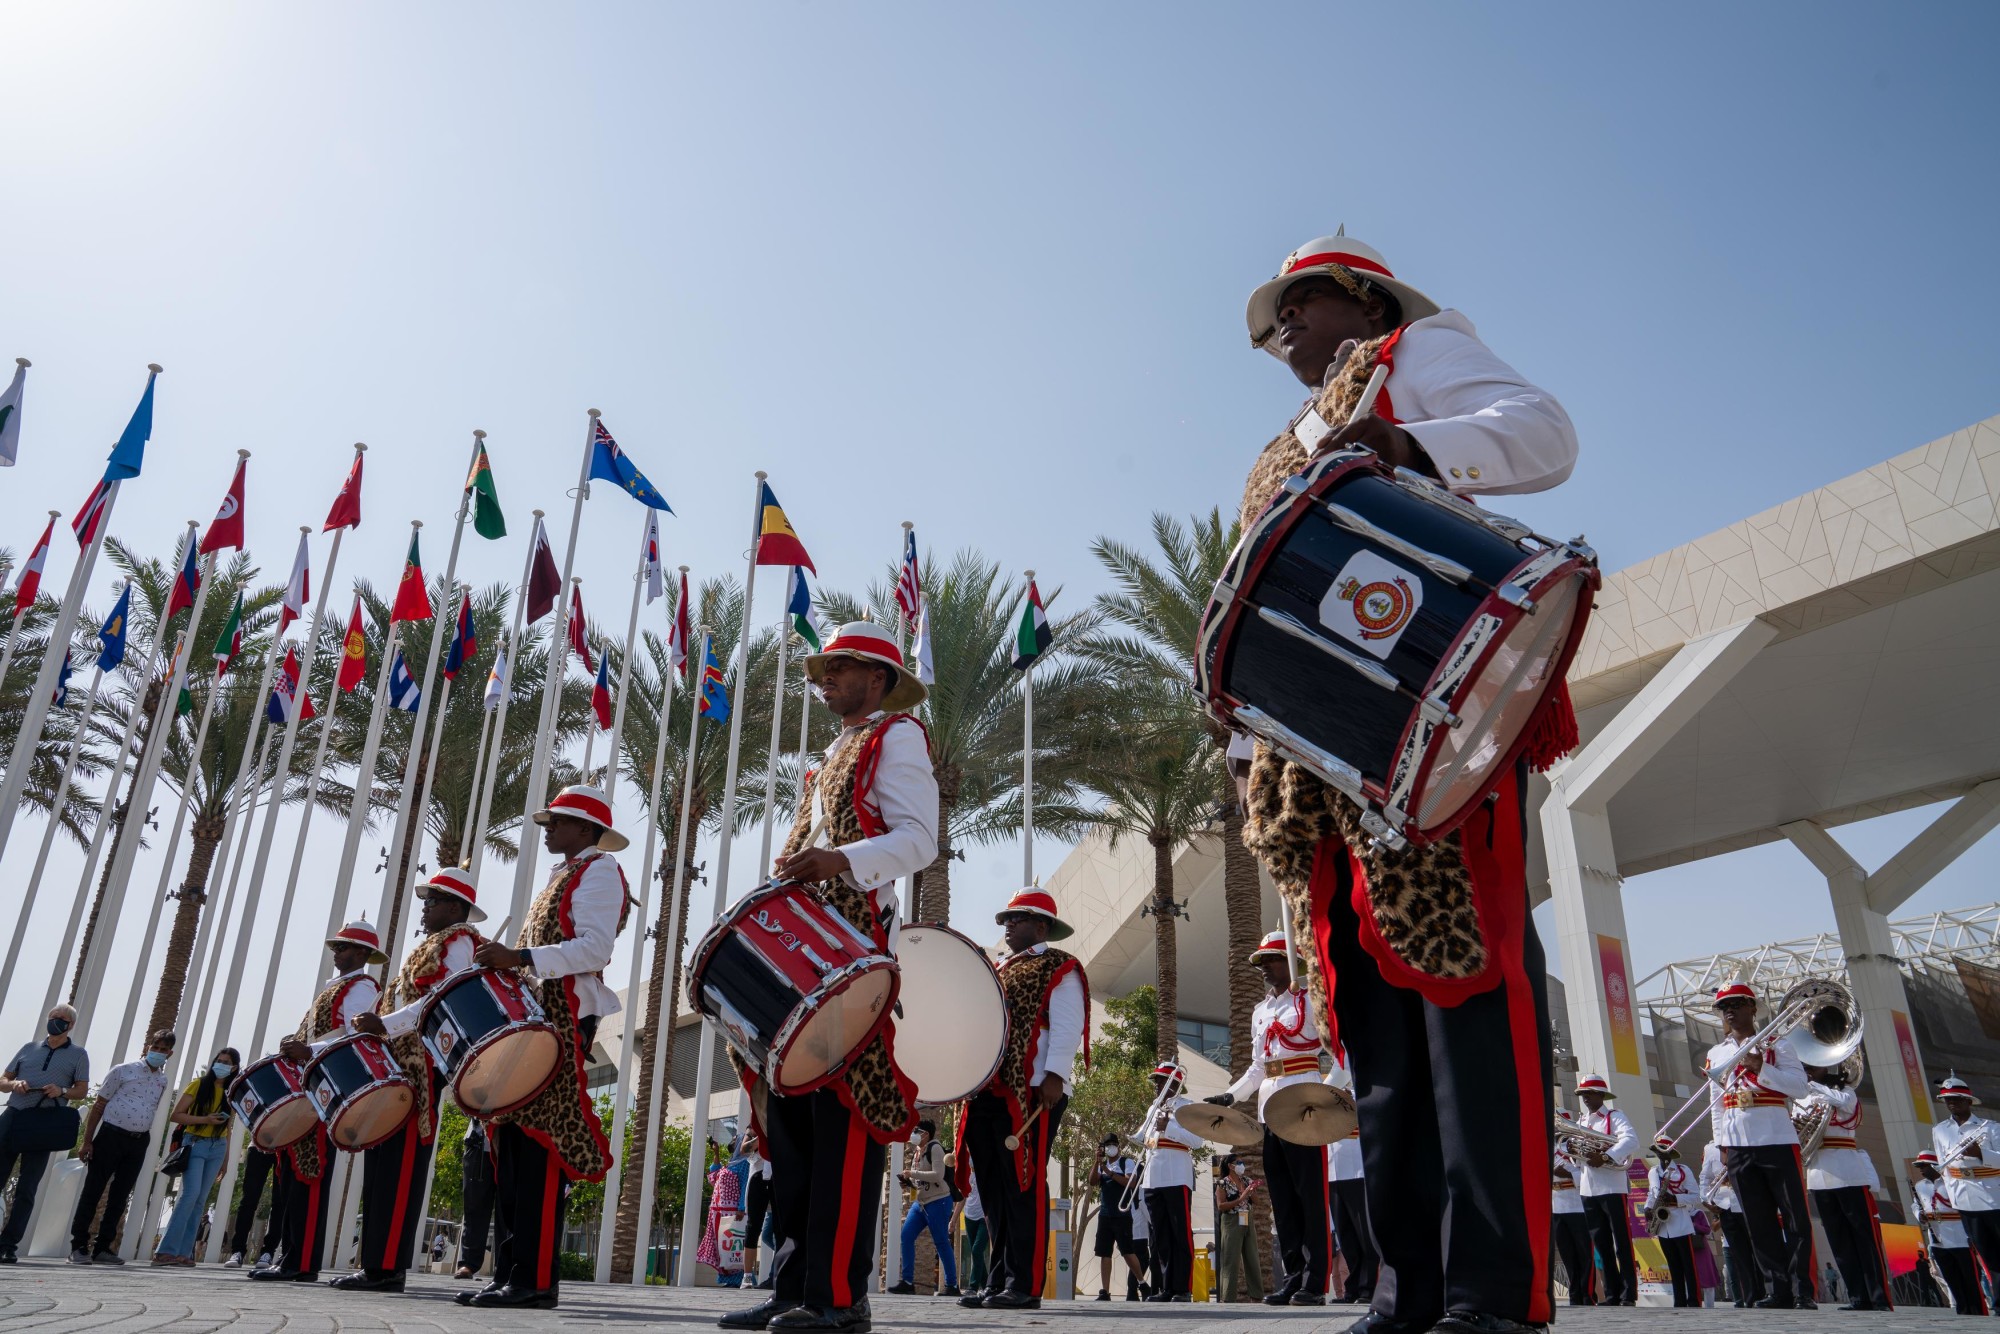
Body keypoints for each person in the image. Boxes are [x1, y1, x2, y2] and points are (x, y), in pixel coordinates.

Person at [1235, 234, 1577, 1334]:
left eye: (1298, 301)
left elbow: (1542, 434)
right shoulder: (1278, 443)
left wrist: (1402, 440)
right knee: (1374, 1024)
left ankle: (1489, 1287)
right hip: (1321, 756)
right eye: (1273, 315)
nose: (1279, 325)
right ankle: (1403, 1286)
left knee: (1466, 995)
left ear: (1359, 295)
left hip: (1435, 719)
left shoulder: (1410, 352)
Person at [722, 624, 939, 1334]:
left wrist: (840, 861)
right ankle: (793, 1288)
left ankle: (839, 1300)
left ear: (876, 678)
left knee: (840, 1122)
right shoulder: (834, 751)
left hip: (850, 950)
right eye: (822, 670)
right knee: (790, 1127)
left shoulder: (898, 736)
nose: (824, 680)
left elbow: (918, 840)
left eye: (839, 669)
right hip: (806, 948)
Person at [462, 784, 630, 1310]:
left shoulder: (600, 870)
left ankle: (534, 1280)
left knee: (539, 1149)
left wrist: (520, 957)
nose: (548, 829)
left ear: (586, 829)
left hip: (563, 1019)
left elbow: (594, 948)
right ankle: (512, 1270)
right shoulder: (562, 874)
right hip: (536, 1021)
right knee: (510, 1152)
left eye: (557, 821)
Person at [337, 868, 487, 1292]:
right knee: (382, 1160)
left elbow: (441, 997)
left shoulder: (458, 941)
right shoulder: (431, 944)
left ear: (456, 909)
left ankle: (387, 1268)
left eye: (434, 900)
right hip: (395, 1061)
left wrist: (383, 1022)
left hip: (420, 1064)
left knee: (400, 1165)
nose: (426, 907)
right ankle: (374, 1263)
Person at [958, 887, 1087, 1312]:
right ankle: (999, 1280)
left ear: (1042, 926)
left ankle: (1025, 1284)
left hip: (1033, 1088)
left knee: (1023, 1184)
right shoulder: (998, 968)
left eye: (1018, 918)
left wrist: (1055, 1076)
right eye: (1006, 920)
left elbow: (1067, 1024)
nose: (1008, 925)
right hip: (990, 1088)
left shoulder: (1060, 966)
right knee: (993, 1189)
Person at [259, 921, 384, 1282]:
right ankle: (290, 1256)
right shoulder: (337, 987)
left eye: (343, 947)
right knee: (291, 1176)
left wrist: (308, 1049)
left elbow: (353, 1035)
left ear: (361, 954)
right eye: (336, 947)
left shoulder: (361, 987)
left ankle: (302, 1261)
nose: (337, 953)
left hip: (324, 1088)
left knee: (309, 1173)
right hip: (306, 1086)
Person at [1208, 930, 1329, 1305]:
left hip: (1305, 1103)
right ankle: (1293, 1276)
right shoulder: (1260, 1011)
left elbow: (1334, 1048)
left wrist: (1332, 1094)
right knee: (1283, 1199)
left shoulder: (1310, 999)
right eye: (1261, 962)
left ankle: (1314, 1282)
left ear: (1291, 962)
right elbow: (1259, 1066)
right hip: (1270, 1109)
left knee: (1310, 1195)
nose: (1264, 968)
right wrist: (1232, 1094)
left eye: (1272, 960)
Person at [1706, 981, 1815, 1307]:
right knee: (1758, 1220)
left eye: (1737, 1003)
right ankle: (1776, 1290)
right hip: (1738, 1144)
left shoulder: (1777, 1043)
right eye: (1724, 1006)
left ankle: (1801, 1292)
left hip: (1776, 1138)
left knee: (1794, 1218)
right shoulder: (1716, 1054)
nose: (1730, 1010)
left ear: (1753, 1008)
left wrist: (1761, 1067)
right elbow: (1716, 1104)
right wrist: (1720, 1145)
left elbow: (1800, 1087)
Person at [67, 1028, 176, 1264]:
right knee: (93, 1191)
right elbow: (99, 1105)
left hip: (138, 1140)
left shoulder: (162, 1080)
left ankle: (103, 1247)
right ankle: (78, 1246)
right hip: (110, 1135)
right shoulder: (123, 1070)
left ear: (170, 1053)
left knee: (120, 1195)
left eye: (163, 1050)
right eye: (155, 1047)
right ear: (148, 1047)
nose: (158, 1052)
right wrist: (87, 1141)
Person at [0, 1002, 90, 1264]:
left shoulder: (78, 1054)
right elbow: (2, 1081)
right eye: (53, 1017)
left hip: (45, 1122)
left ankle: (8, 1245)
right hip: (14, 1116)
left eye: (61, 1019)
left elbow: (82, 1090)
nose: (55, 1022)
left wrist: (61, 1091)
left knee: (27, 1187)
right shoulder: (29, 1048)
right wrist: (14, 1083)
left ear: (70, 1025)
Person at [1801, 1060, 1891, 1310]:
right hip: (1819, 1174)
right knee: (1838, 1240)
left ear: (1825, 1066)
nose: (1807, 1069)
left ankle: (1878, 1296)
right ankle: (1858, 1296)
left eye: (1812, 1064)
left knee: (1864, 1238)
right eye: (1803, 1065)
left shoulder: (1844, 1090)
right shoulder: (1805, 1096)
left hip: (1848, 1172)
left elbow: (1846, 1105)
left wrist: (1811, 1087)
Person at [152, 1045, 241, 1265]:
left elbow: (228, 1128)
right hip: (195, 1142)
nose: (220, 1065)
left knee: (201, 1200)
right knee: (190, 1194)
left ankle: (184, 1253)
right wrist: (205, 1120)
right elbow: (177, 1115)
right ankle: (165, 1250)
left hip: (218, 1146)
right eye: (218, 1060)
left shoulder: (232, 1092)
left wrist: (227, 1160)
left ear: (234, 1067)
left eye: (226, 1063)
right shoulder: (198, 1084)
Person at [1571, 1075, 1639, 1306]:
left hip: (1612, 1186)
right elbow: (1577, 1155)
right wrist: (1574, 1154)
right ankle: (1611, 1293)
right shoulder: (1580, 1121)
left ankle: (1628, 1294)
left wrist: (1606, 1155)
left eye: (1589, 1093)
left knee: (1621, 1242)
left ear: (1601, 1095)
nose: (1585, 1098)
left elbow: (1631, 1140)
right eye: (1582, 1095)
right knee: (1601, 1244)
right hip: (1588, 1188)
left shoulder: (1614, 1116)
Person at [1932, 1073, 2000, 1292]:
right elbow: (1944, 1167)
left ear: (1969, 1101)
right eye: (1947, 1099)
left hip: (1993, 1196)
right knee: (1986, 1253)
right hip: (1965, 1198)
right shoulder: (1940, 1130)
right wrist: (1953, 1196)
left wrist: (1980, 1153)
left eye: (1957, 1098)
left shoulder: (1990, 1127)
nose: (1951, 1102)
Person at [1137, 1061, 1197, 1302]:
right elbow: (1146, 1138)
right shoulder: (1153, 1107)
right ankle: (1166, 1287)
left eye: (1162, 1080)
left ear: (1175, 1084)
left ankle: (1183, 1288)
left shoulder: (1186, 1107)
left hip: (1176, 1174)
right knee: (1160, 1235)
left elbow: (1197, 1141)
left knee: (1179, 1233)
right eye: (1157, 1080)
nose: (1157, 1085)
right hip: (1153, 1175)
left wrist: (1168, 1127)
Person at [1326, 1047, 1375, 1305]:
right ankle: (1352, 1287)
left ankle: (1369, 1287)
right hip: (1335, 1170)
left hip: (1357, 1168)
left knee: (1363, 1232)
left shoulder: (1359, 1089)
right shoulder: (1329, 1091)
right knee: (1345, 1235)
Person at [888, 1119, 958, 1296]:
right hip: (921, 1203)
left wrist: (912, 1173)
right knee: (906, 1235)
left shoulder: (935, 1148)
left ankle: (952, 1285)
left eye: (916, 1131)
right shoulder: (919, 1151)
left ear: (926, 1134)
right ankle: (907, 1281)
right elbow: (920, 1181)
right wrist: (909, 1183)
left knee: (941, 1241)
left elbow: (937, 1175)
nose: (913, 1134)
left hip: (938, 1201)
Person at [1913, 1149, 1986, 1315]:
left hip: (1959, 1236)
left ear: (1935, 1166)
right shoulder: (1919, 1186)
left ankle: (1977, 1308)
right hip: (1937, 1238)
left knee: (1969, 1277)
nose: (1921, 1170)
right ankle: (1962, 1308)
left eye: (1924, 1166)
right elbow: (1916, 1206)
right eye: (1920, 1167)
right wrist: (1920, 1215)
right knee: (1950, 1277)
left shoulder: (1952, 1182)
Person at [1699, 1137, 1764, 1306]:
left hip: (1747, 1202)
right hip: (1724, 1205)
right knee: (1740, 1255)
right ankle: (1750, 1297)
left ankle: (1765, 1293)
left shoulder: (1743, 1140)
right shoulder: (1710, 1148)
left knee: (1759, 1251)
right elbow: (1705, 1176)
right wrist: (1705, 1198)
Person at [1644, 1136, 1700, 1308]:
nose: (1660, 1155)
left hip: (1680, 1222)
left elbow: (1696, 1196)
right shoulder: (1653, 1171)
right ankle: (1679, 1301)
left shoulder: (1684, 1170)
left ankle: (1694, 1300)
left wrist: (1675, 1198)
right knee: (1673, 1266)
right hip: (1663, 1225)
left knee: (1688, 1266)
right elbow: (1652, 1194)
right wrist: (1648, 1207)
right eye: (1657, 1151)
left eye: (1663, 1151)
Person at [1088, 1132, 1144, 1301]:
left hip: (1122, 1214)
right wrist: (1097, 1162)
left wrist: (1110, 1173)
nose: (1111, 1148)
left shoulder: (1126, 1162)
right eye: (1107, 1145)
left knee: (1127, 1251)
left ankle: (1142, 1282)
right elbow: (1092, 1181)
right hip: (1105, 1214)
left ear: (1118, 1147)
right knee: (1104, 1252)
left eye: (1114, 1144)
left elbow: (1131, 1183)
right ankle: (1105, 1290)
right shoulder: (1101, 1165)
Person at [1549, 1115, 1594, 1306]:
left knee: (1584, 1253)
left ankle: (1587, 1294)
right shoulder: (1547, 1148)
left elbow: (1588, 1173)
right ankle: (1574, 1294)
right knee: (1567, 1253)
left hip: (1577, 1205)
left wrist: (1568, 1174)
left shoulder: (1576, 1148)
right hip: (1557, 1205)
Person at [1213, 1155, 1264, 1302]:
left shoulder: (1246, 1180)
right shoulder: (1222, 1183)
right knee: (1230, 1259)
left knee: (1252, 1257)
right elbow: (1221, 1206)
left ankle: (1256, 1295)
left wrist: (1251, 1191)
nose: (1242, 1165)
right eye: (1239, 1162)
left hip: (1247, 1219)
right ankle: (1227, 1297)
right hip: (1231, 1221)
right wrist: (1241, 1198)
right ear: (1230, 1165)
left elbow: (1258, 1202)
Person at [222, 1147, 281, 1268]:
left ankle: (268, 1252)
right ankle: (237, 1251)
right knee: (249, 1200)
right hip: (258, 1144)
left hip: (284, 1147)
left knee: (279, 1202)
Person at [455, 1118, 493, 1278]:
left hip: (512, 1142)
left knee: (511, 1208)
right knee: (473, 1205)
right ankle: (468, 1263)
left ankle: (508, 1266)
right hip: (478, 1143)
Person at [741, 1127, 773, 1289]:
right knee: (754, 1226)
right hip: (759, 1177)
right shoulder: (753, 1127)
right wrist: (761, 1136)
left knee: (781, 1229)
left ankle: (780, 1275)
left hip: (780, 1177)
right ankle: (747, 1276)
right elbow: (744, 1149)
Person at [958, 1167, 989, 1295]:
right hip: (969, 1216)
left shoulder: (987, 1173)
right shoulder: (967, 1175)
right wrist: (953, 1220)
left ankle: (973, 1287)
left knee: (977, 1250)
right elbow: (962, 1198)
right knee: (976, 1253)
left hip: (984, 1216)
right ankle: (987, 1285)